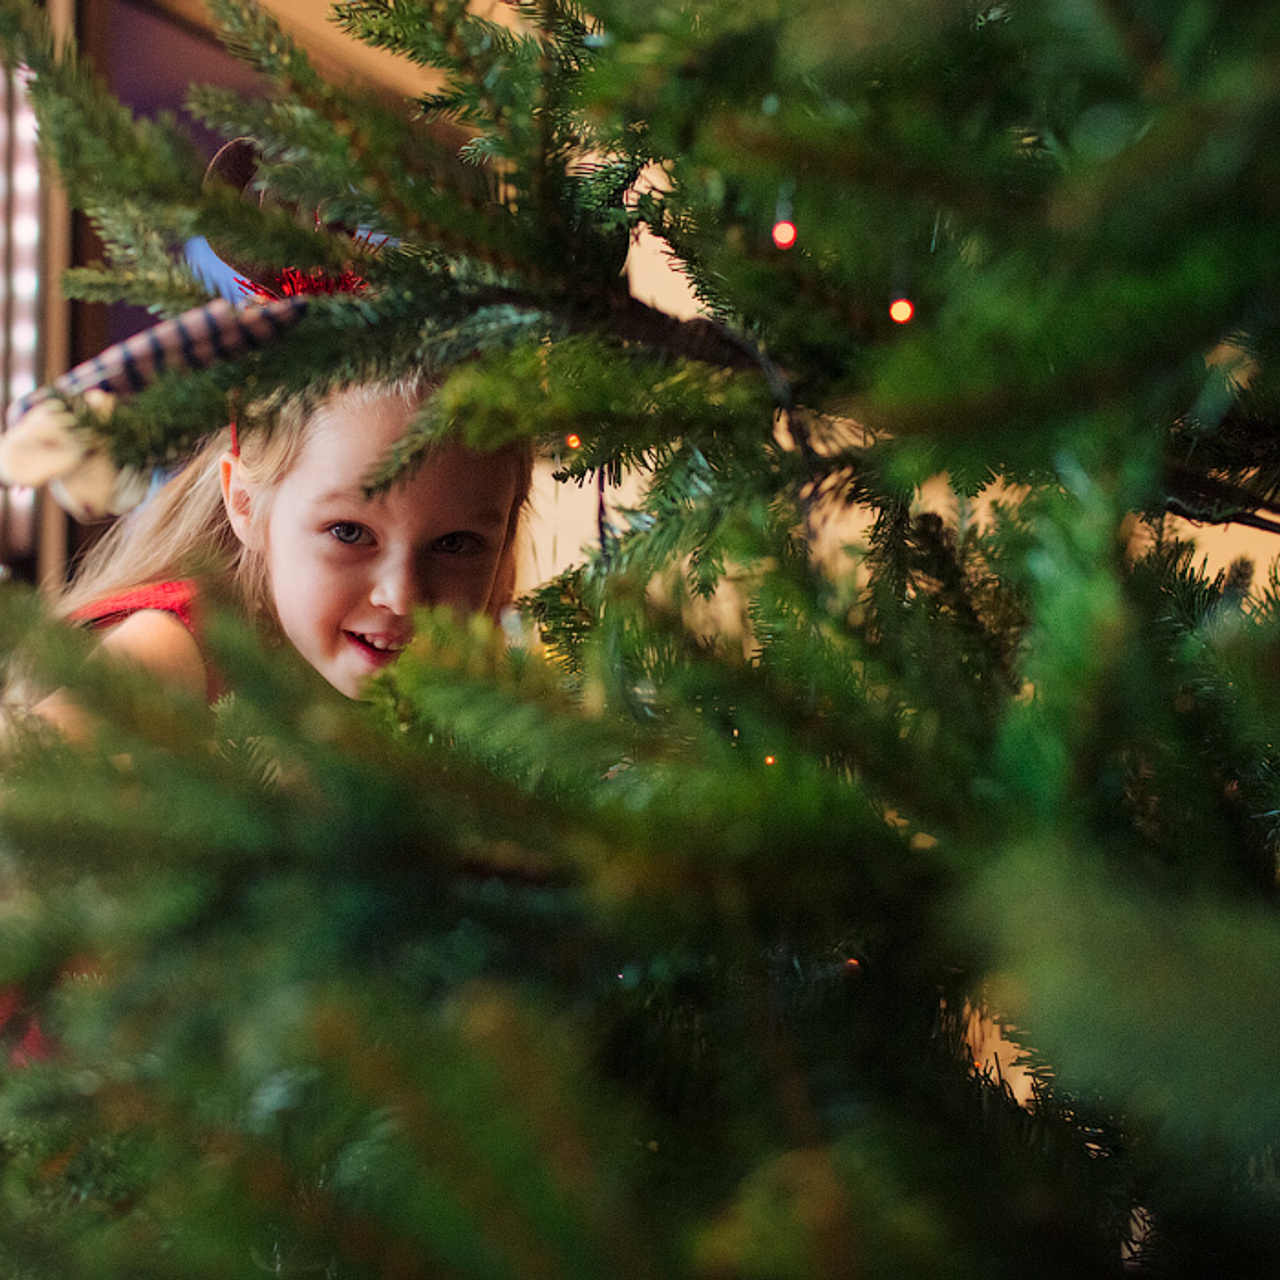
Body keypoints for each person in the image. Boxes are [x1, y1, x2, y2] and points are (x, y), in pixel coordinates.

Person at [46, 376, 533, 711]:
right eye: (349, 532)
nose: (402, 595)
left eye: (455, 544)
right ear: (245, 505)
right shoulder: (175, 652)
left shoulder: (481, 696)